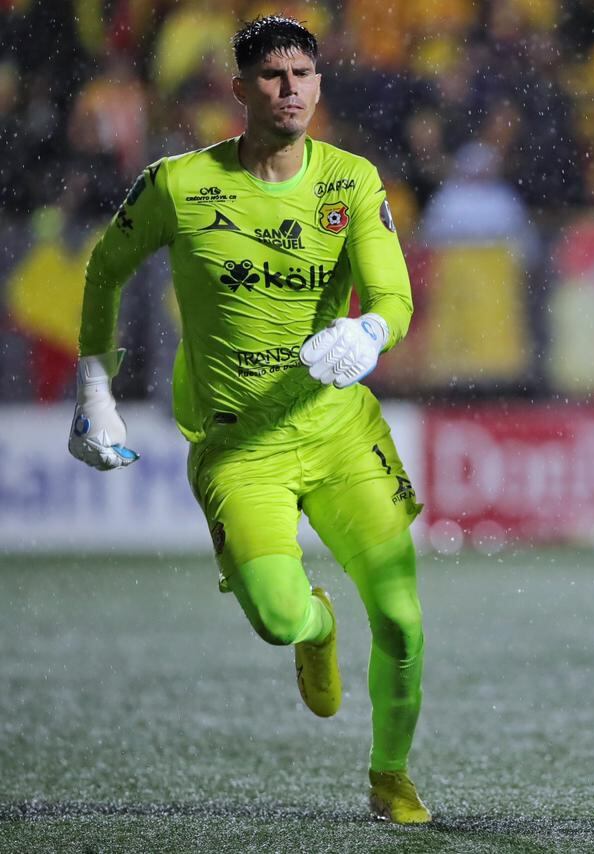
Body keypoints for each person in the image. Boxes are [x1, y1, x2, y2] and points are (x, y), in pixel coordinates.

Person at [67, 16, 431, 824]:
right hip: (238, 449)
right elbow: (105, 267)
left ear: (320, 85)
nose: (291, 89)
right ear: (240, 90)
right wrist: (96, 385)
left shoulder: (352, 182)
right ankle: (316, 623)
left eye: (304, 74)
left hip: (341, 434)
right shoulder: (178, 184)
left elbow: (397, 297)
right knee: (276, 617)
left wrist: (369, 332)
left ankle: (390, 776)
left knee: (403, 619)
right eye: (273, 76)